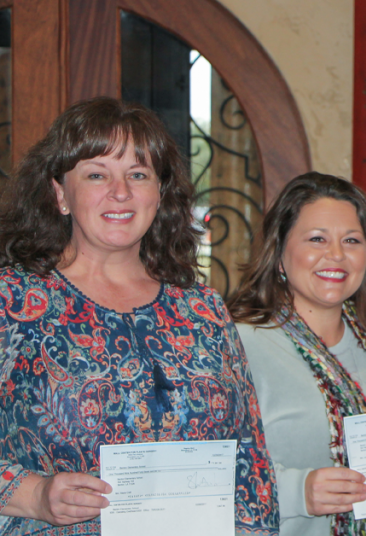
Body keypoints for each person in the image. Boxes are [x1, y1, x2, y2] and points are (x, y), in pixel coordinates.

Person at [0, 97, 277, 535]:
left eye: (138, 174)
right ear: (60, 193)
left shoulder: (203, 309)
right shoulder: (13, 302)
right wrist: (32, 494)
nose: (121, 192)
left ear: (159, 194)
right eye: (96, 175)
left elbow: (250, 463)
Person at [227, 173, 366, 536]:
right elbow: (206, 476)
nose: (337, 255)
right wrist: (298, 492)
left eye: (351, 240)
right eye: (317, 239)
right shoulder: (239, 345)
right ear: (280, 256)